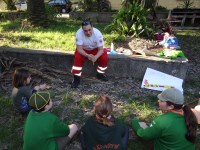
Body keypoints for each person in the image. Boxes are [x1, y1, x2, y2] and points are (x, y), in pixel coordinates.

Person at [131, 88, 197, 150]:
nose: (158, 101)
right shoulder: (190, 115)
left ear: (171, 106)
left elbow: (144, 135)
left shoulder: (162, 121)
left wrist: (134, 122)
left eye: (161, 100)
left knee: (146, 130)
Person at [71, 20, 108, 88]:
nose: (88, 32)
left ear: (92, 27)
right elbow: (79, 49)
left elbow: (100, 49)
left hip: (95, 49)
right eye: (85, 31)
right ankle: (76, 79)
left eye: (89, 30)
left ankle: (100, 73)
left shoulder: (98, 34)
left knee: (104, 57)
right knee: (77, 58)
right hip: (83, 49)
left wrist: (96, 57)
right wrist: (87, 55)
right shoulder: (79, 34)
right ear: (82, 29)